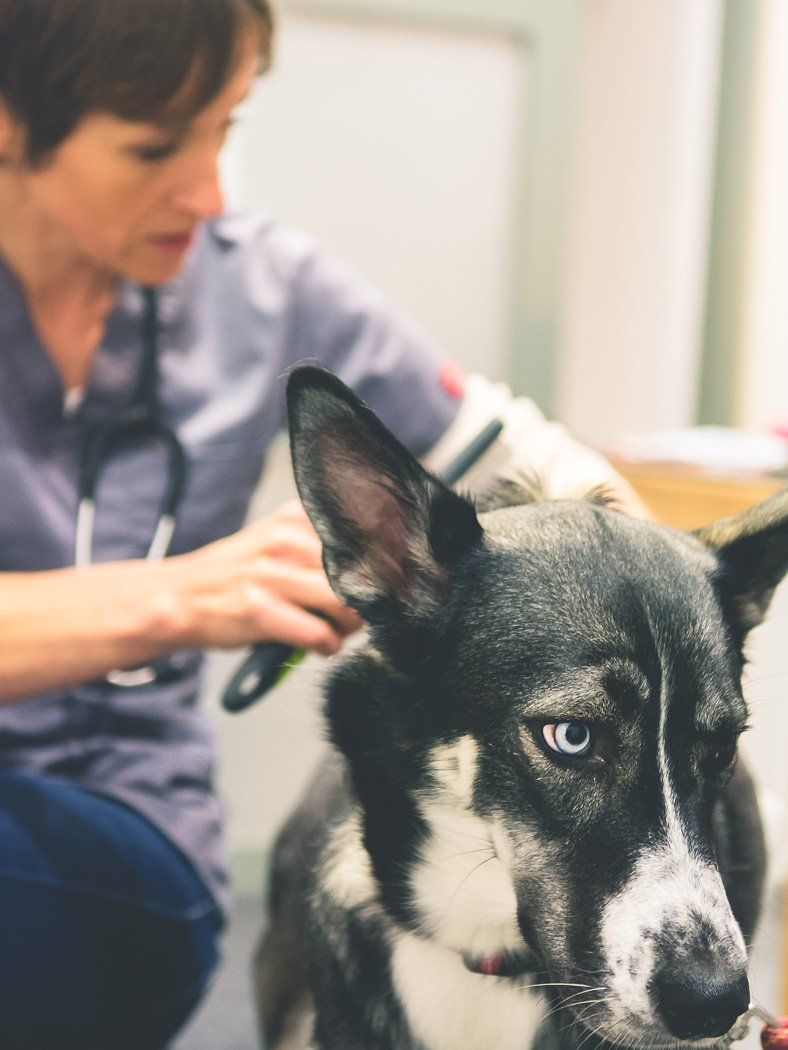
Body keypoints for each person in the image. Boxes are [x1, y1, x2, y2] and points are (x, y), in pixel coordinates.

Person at [0, 0, 645, 1045]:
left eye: (225, 126)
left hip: (125, 841)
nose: (208, 191)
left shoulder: (260, 288)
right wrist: (177, 597)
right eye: (155, 148)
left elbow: (569, 487)